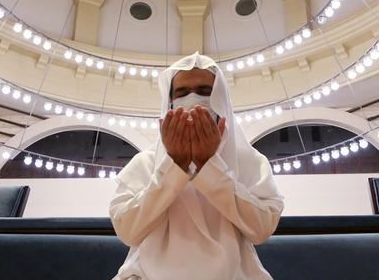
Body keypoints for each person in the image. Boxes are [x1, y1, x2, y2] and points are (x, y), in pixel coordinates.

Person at [109, 52, 285, 280]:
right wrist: (174, 166)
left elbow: (261, 229)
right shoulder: (145, 162)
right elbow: (128, 231)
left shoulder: (250, 160)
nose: (192, 99)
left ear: (220, 99)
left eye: (204, 92)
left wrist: (209, 165)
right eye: (182, 93)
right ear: (170, 103)